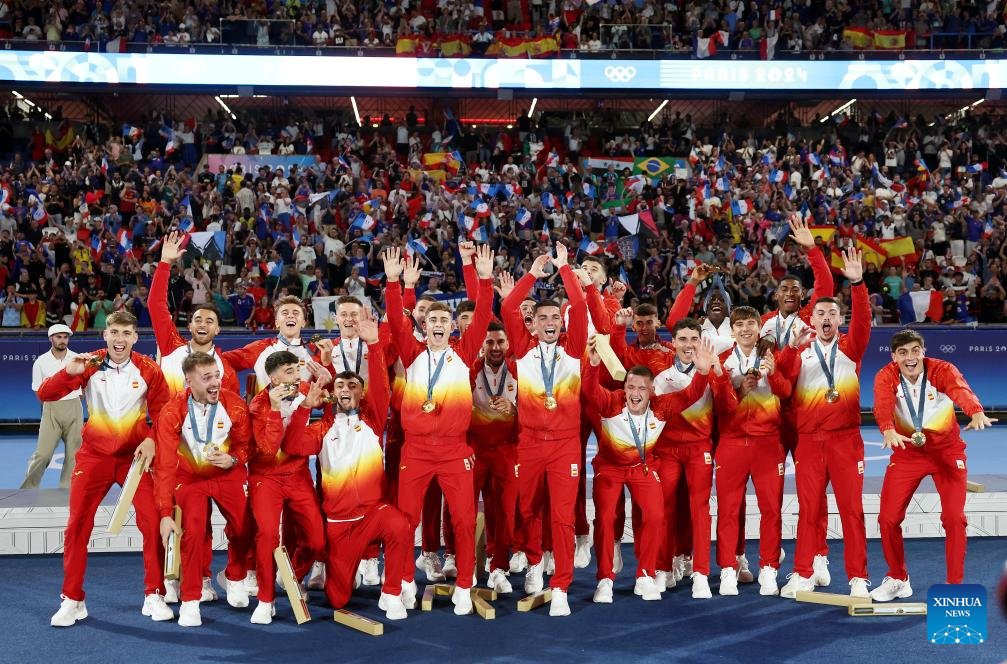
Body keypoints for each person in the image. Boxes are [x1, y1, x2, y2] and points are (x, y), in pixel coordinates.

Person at [381, 243, 495, 616]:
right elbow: (397, 318)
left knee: (463, 520)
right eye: (432, 322)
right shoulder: (411, 354)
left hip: (453, 450)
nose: (440, 327)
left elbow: (481, 314)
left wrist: (484, 277)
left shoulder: (464, 354)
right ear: (424, 327)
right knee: (404, 522)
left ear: (451, 328)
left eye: (445, 322)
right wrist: (394, 282)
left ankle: (464, 584)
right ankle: (403, 584)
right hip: (415, 451)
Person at [283, 311, 416, 621]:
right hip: (340, 526)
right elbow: (292, 446)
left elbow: (381, 388)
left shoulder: (372, 420)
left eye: (353, 386)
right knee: (338, 599)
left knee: (400, 524)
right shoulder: (321, 428)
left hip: (373, 514)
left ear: (361, 392)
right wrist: (305, 407)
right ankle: (335, 566)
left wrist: (373, 344)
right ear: (333, 393)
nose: (346, 389)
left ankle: (392, 592)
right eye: (341, 385)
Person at [41, 311, 172, 627]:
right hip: (94, 457)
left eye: (126, 333)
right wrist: (67, 372)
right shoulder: (90, 364)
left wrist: (153, 439)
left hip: (134, 459)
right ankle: (72, 599)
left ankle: (154, 594)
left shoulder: (149, 369)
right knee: (76, 527)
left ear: (135, 338)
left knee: (153, 522)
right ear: (105, 335)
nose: (119, 339)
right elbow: (46, 394)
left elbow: (166, 415)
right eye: (114, 332)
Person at [582, 335, 718, 603]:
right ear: (624, 387)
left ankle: (644, 575)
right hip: (609, 468)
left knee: (656, 516)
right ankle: (605, 579)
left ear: (652, 390)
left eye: (642, 389)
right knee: (606, 518)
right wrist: (593, 366)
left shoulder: (661, 406)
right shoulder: (611, 403)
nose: (635, 394)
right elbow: (589, 390)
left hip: (642, 467)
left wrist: (702, 373)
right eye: (631, 387)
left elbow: (690, 394)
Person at [870, 329, 995, 599]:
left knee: (953, 518)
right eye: (903, 353)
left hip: (947, 453)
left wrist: (975, 411)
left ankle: (954, 585)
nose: (910, 357)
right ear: (894, 357)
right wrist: (887, 429)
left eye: (915, 351)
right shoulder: (886, 376)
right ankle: (898, 578)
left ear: (923, 352)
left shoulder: (942, 370)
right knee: (887, 518)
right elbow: (882, 404)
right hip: (907, 453)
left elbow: (961, 391)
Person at [777, 249, 872, 599]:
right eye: (821, 313)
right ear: (812, 320)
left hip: (845, 440)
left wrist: (858, 284)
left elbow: (863, 320)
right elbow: (781, 383)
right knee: (809, 509)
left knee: (851, 510)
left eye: (833, 312)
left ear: (840, 319)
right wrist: (788, 348)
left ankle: (859, 578)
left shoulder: (851, 347)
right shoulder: (799, 351)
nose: (827, 317)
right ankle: (803, 572)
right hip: (809, 441)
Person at [500, 243, 587, 617]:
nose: (550, 321)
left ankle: (562, 586)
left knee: (563, 516)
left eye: (556, 316)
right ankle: (535, 563)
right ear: (532, 323)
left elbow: (581, 307)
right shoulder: (522, 350)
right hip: (530, 443)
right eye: (542, 316)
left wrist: (565, 268)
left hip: (565, 445)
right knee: (529, 508)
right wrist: (532, 273)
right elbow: (506, 308)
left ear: (561, 322)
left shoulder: (575, 349)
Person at [758, 215, 835, 586]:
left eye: (796, 290)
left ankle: (819, 555)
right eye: (784, 290)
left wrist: (811, 249)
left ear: (803, 297)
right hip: (772, 418)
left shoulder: (809, 318)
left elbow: (826, 283)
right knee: (770, 497)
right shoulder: (762, 323)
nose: (790, 294)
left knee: (813, 493)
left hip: (805, 416)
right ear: (775, 296)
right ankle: (771, 560)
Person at [154, 352, 254, 628]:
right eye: (206, 378)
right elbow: (164, 465)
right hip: (190, 478)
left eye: (217, 376)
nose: (215, 383)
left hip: (226, 473)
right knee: (194, 532)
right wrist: (164, 511)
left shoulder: (234, 405)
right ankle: (190, 600)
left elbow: (246, 445)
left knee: (246, 526)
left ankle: (234, 576)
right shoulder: (173, 411)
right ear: (189, 381)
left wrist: (234, 459)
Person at [651, 317, 736, 599]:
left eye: (694, 339)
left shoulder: (713, 372)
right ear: (672, 343)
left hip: (699, 448)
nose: (689, 345)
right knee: (664, 509)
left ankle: (701, 572)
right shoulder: (661, 377)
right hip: (668, 450)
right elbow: (668, 411)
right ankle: (663, 568)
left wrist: (719, 373)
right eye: (683, 340)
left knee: (700, 509)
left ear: (702, 342)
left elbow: (726, 408)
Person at [715, 306, 791, 597]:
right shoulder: (722, 361)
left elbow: (786, 394)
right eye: (740, 325)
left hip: (767, 443)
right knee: (728, 511)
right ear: (731, 331)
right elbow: (719, 406)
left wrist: (774, 376)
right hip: (732, 443)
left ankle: (769, 570)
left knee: (771, 510)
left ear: (759, 327)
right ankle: (727, 570)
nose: (746, 329)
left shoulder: (774, 358)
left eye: (750, 323)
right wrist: (738, 391)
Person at [246, 350, 326, 624]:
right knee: (267, 535)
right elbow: (268, 449)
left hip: (298, 474)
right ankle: (265, 600)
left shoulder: (305, 389)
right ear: (273, 377)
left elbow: (329, 402)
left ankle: (292, 574)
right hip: (265, 476)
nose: (296, 376)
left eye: (296, 370)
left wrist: (326, 380)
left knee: (316, 539)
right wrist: (277, 411)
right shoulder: (258, 406)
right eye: (288, 372)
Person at [151, 231, 240, 396]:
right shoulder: (171, 346)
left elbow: (232, 415)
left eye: (209, 321)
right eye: (198, 319)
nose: (203, 324)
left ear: (218, 329)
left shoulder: (226, 371)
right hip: (168, 422)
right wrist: (164, 263)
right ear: (190, 326)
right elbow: (156, 305)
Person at [468, 320, 519, 593]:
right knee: (465, 511)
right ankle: (465, 566)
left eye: (500, 342)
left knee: (505, 512)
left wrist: (516, 407)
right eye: (490, 342)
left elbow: (537, 404)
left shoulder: (520, 370)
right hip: (475, 448)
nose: (496, 347)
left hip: (507, 449)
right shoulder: (471, 370)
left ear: (508, 344)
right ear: (482, 344)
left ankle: (499, 567)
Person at [223, 295, 331, 393]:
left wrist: (327, 374)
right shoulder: (260, 348)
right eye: (285, 313)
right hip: (265, 413)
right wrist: (233, 395)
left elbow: (329, 392)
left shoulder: (316, 352)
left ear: (303, 322)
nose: (290, 316)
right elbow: (221, 360)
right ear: (276, 322)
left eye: (296, 313)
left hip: (301, 413)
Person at [22, 324, 82, 489]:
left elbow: (82, 389)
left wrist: (74, 402)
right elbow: (38, 390)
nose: (62, 340)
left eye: (65, 337)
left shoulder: (77, 358)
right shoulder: (41, 362)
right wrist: (49, 407)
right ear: (51, 338)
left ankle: (67, 490)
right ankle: (27, 489)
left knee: (74, 455)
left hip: (74, 408)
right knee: (43, 454)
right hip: (51, 409)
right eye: (58, 337)